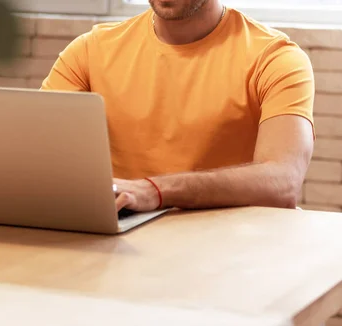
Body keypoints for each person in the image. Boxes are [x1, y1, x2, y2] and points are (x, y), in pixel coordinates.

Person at [40, 0, 315, 213]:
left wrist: (157, 191)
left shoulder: (276, 59)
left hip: (230, 248)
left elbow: (283, 179)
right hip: (122, 238)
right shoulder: (89, 52)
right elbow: (33, 155)